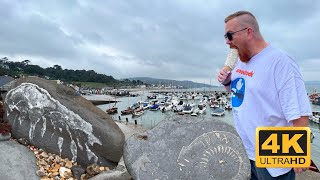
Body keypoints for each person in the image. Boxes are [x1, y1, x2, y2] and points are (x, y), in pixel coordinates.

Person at [217, 11, 312, 179]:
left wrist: (300, 155)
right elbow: (239, 95)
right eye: (225, 36)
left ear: (248, 32)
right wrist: (227, 83)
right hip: (246, 148)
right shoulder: (240, 60)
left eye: (230, 35)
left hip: (272, 149)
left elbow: (298, 111)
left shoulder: (280, 62)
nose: (227, 42)